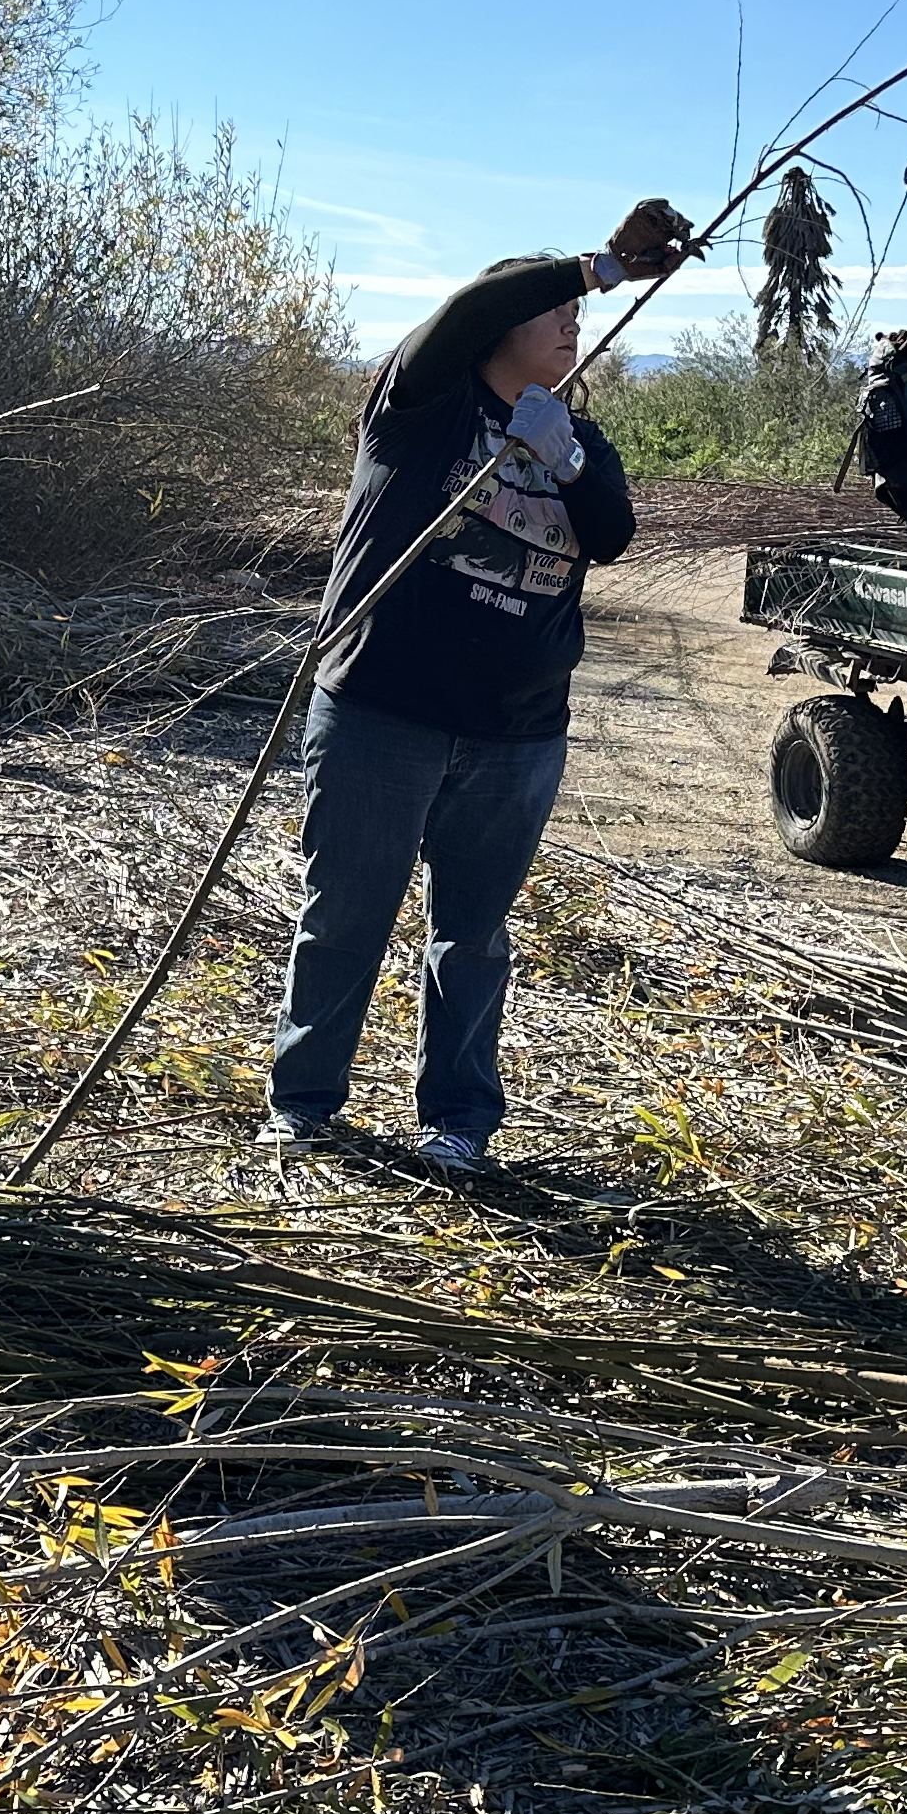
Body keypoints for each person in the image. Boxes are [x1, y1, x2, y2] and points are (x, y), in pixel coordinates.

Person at [261, 200, 698, 1169]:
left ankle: (458, 1123)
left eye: (575, 312)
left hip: (517, 736)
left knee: (473, 935)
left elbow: (614, 534)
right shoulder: (421, 408)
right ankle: (303, 1105)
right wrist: (595, 269)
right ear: (507, 319)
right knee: (345, 915)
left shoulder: (578, 438)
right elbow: (466, 309)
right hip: (383, 713)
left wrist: (569, 454)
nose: (571, 323)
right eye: (552, 309)